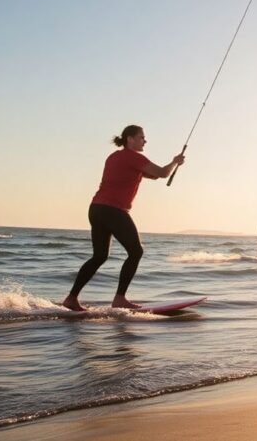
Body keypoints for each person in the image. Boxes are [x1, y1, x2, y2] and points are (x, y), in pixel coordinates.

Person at [62, 125, 185, 311]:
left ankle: (71, 298)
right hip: (113, 210)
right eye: (142, 137)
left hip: (96, 209)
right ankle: (119, 298)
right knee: (136, 252)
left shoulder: (115, 157)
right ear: (130, 139)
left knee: (99, 256)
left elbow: (152, 175)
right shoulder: (133, 156)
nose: (145, 140)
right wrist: (174, 162)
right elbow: (162, 173)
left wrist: (173, 165)